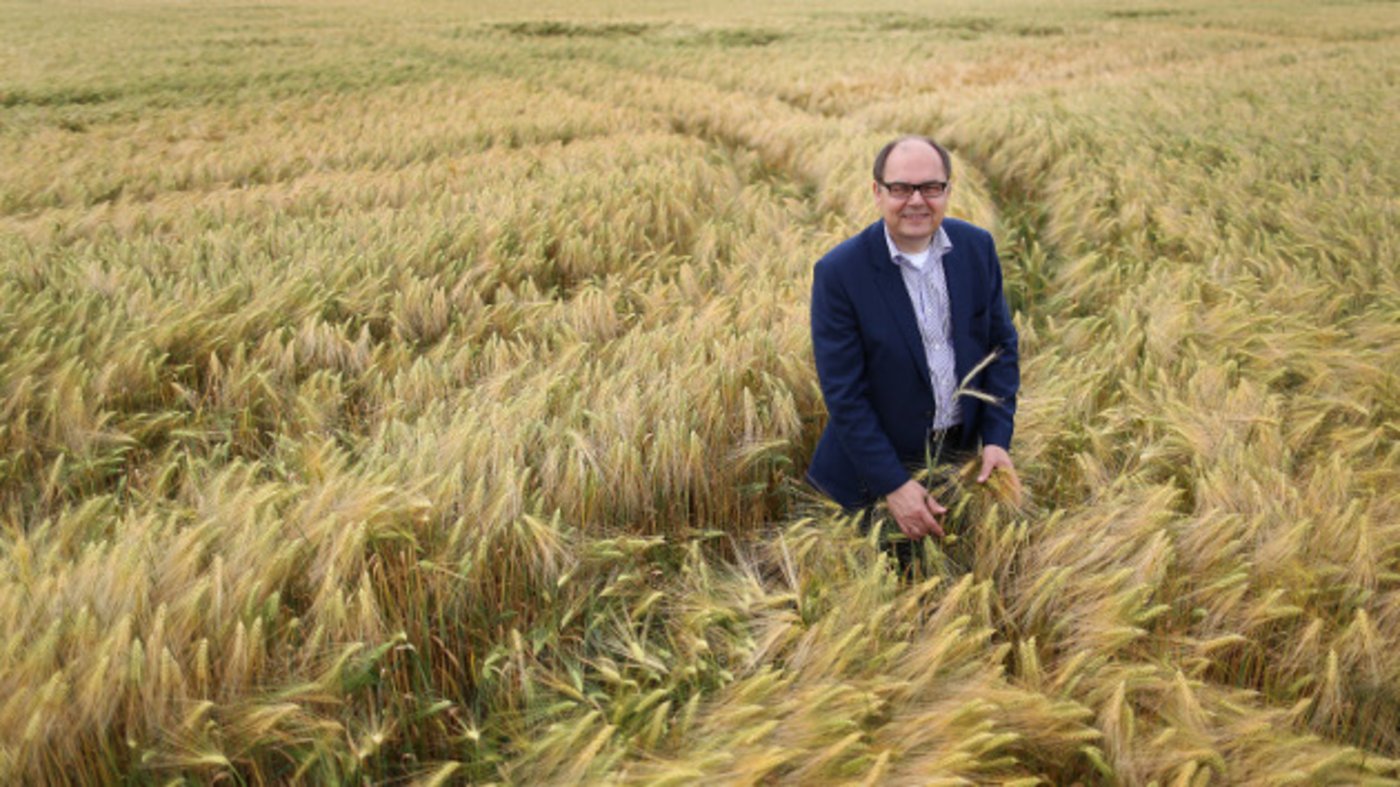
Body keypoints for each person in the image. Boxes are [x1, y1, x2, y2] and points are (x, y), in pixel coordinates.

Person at [807, 135, 1020, 550]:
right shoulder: (839, 273)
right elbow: (844, 394)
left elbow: (1001, 350)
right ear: (877, 192)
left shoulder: (976, 248)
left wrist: (996, 438)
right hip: (867, 483)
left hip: (960, 468)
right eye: (901, 188)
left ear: (948, 191)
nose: (917, 201)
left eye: (931, 187)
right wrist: (894, 483)